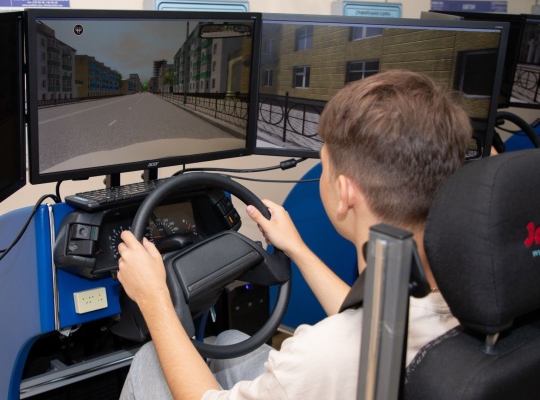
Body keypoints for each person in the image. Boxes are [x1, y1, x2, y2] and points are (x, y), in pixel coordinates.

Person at [117, 69, 472, 399]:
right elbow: (373, 326)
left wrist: (154, 297)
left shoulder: (320, 354)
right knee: (229, 341)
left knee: (149, 357)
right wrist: (296, 249)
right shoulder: (459, 305)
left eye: (324, 166)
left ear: (345, 195)